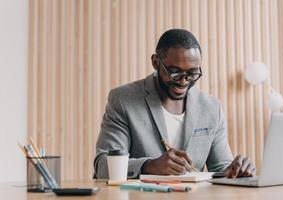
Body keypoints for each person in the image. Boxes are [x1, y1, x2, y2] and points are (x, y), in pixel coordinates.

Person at [94, 29, 256, 179]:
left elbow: (221, 167)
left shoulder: (211, 107)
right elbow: (103, 166)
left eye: (192, 73)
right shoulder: (123, 100)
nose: (184, 81)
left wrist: (236, 171)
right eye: (175, 72)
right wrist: (149, 166)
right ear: (156, 62)